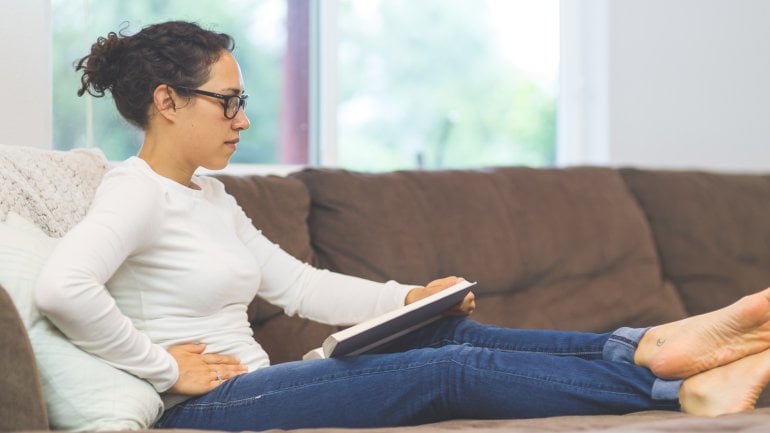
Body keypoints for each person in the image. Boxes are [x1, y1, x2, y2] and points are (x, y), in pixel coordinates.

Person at [34, 20, 770, 431]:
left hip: (253, 391)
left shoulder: (208, 197)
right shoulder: (133, 192)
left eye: (242, 100)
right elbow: (63, 287)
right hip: (202, 412)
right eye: (226, 101)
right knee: (445, 372)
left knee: (442, 334)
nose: (244, 118)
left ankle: (651, 347)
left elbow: (299, 284)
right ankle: (675, 391)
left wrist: (409, 297)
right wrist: (167, 369)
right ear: (167, 101)